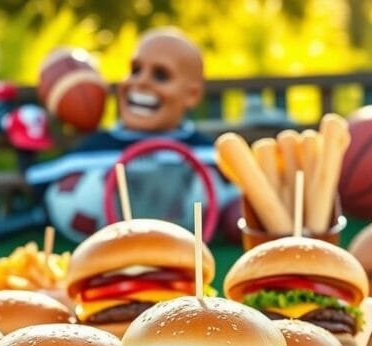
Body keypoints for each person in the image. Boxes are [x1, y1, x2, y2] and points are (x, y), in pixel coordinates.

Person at [27, 28, 237, 242]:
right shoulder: (98, 148)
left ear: (192, 95)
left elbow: (238, 193)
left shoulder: (207, 153)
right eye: (135, 70)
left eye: (161, 75)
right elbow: (41, 177)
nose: (141, 82)